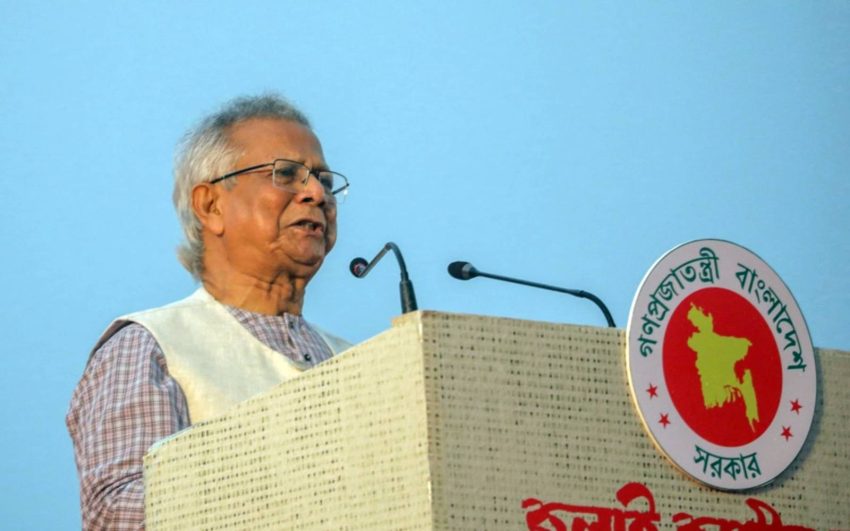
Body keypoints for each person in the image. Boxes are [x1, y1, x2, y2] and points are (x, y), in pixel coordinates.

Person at [66, 94, 351, 530]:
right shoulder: (153, 346)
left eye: (324, 181)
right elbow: (120, 515)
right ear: (211, 206)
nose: (316, 194)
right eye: (286, 174)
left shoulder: (359, 361)